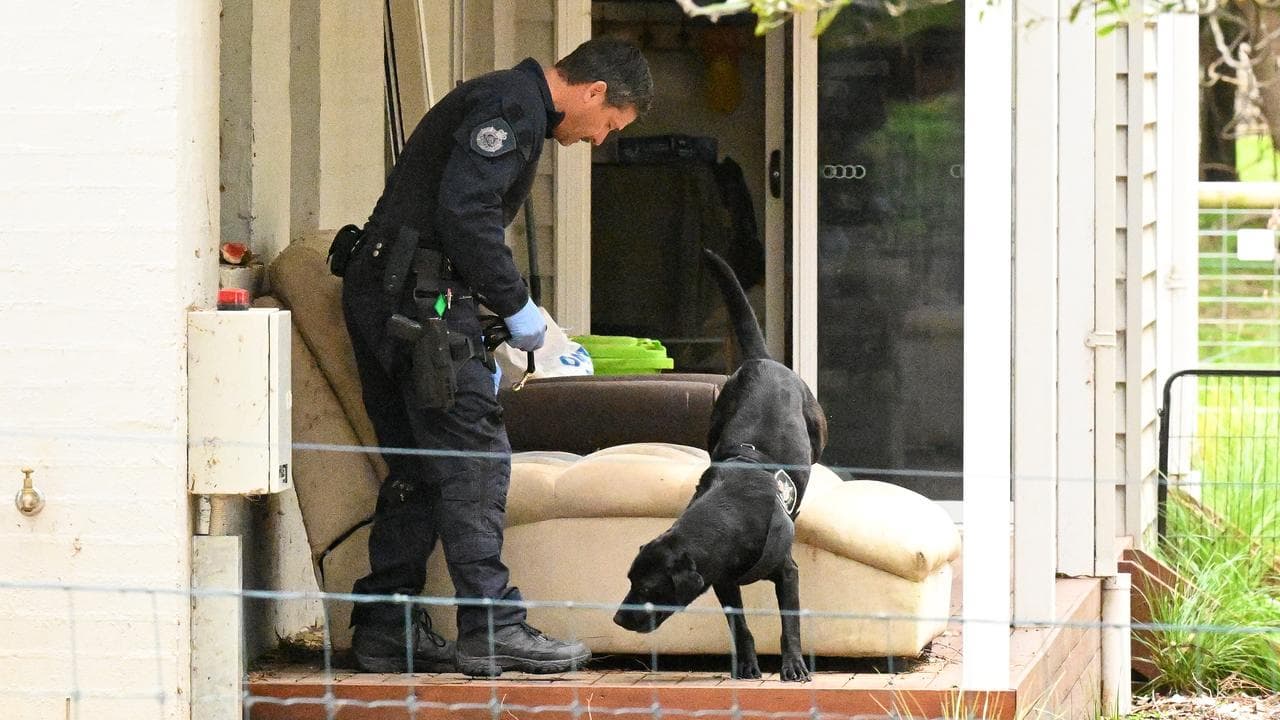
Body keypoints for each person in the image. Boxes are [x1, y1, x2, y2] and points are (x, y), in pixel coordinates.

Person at [336, 38, 653, 676]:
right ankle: (493, 627)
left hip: (385, 295)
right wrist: (517, 307)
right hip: (418, 304)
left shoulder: (504, 100)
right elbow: (466, 213)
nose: (598, 141)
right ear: (594, 94)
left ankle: (384, 627)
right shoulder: (511, 106)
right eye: (609, 126)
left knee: (420, 466)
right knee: (475, 456)